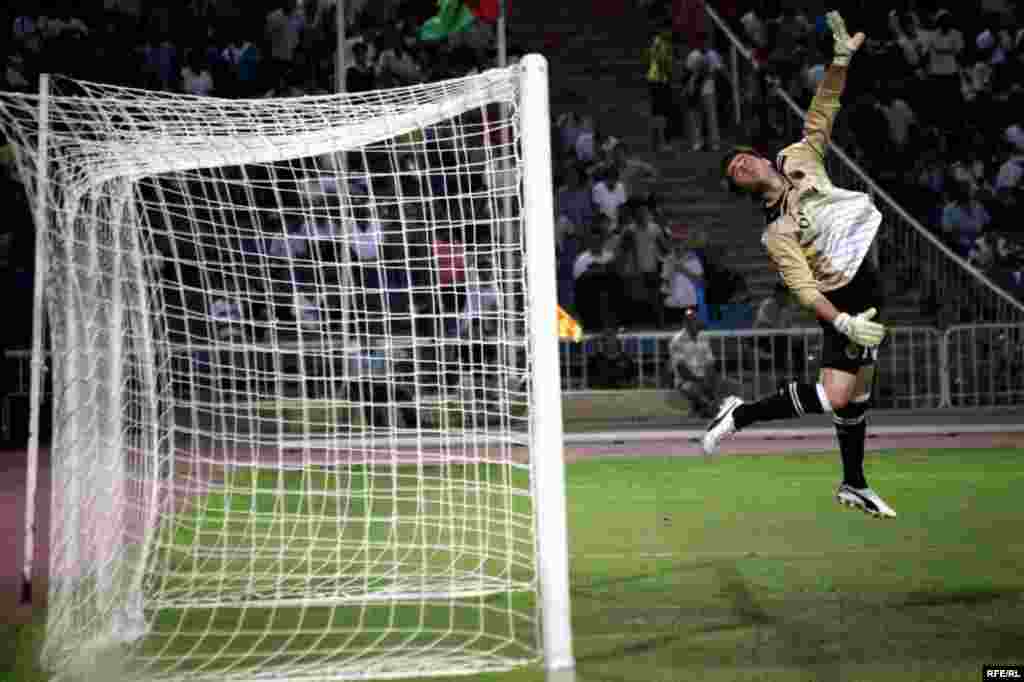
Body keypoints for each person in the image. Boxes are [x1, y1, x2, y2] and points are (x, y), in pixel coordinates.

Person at [709, 12, 896, 519]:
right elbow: (803, 290)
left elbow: (824, 108)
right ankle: (741, 414)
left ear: (760, 157)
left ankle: (854, 483)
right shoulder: (776, 233)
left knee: (858, 395)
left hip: (868, 281)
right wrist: (841, 320)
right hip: (841, 297)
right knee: (838, 395)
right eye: (734, 173)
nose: (742, 165)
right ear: (743, 189)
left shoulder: (799, 155)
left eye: (743, 158)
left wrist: (839, 62)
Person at [669, 306, 723, 418]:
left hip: (705, 377)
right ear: (685, 322)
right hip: (686, 380)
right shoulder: (676, 341)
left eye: (694, 319)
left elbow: (710, 363)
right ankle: (710, 407)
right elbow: (681, 369)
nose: (693, 322)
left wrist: (708, 379)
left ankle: (705, 409)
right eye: (689, 320)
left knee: (726, 384)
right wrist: (700, 380)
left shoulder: (703, 337)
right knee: (690, 387)